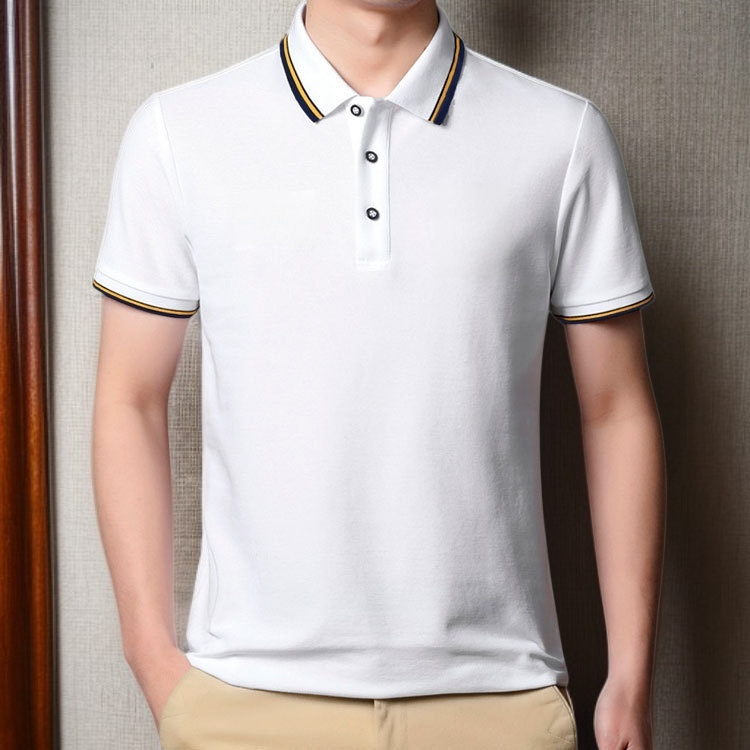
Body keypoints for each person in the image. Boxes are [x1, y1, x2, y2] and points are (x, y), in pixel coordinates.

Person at [91, 0, 666, 748]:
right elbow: (129, 398)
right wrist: (153, 660)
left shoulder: (562, 134)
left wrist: (631, 676)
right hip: (245, 699)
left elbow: (617, 410)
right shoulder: (178, 131)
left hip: (498, 698)